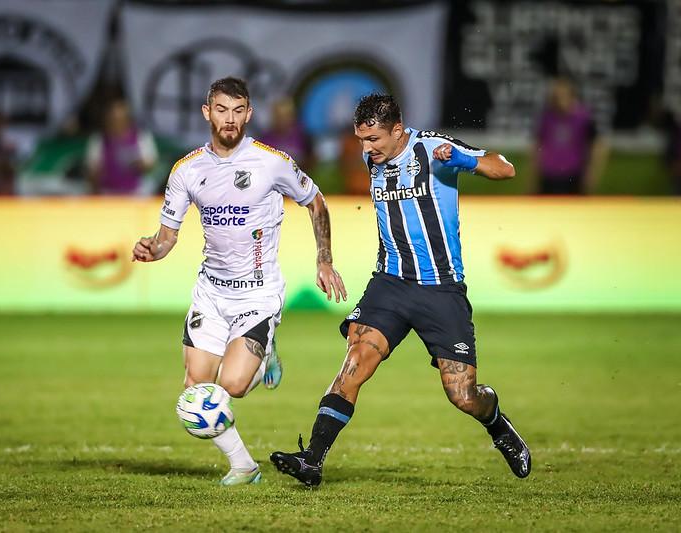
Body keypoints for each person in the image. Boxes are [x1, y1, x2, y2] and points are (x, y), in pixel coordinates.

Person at [270, 93, 530, 487]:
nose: (366, 149)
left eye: (373, 139)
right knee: (355, 362)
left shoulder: (432, 149)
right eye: (361, 140)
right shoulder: (372, 159)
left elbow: (505, 168)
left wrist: (462, 160)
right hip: (390, 283)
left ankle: (496, 423)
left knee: (462, 394)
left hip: (441, 289)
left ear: (397, 130)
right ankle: (312, 460)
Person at [131, 77, 347, 486]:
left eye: (237, 110)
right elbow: (168, 236)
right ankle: (244, 466)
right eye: (221, 110)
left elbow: (315, 200)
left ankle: (264, 351)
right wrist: (152, 249)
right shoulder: (187, 170)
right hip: (211, 292)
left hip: (258, 294)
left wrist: (324, 260)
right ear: (206, 113)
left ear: (248, 113)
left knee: (233, 386)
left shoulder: (271, 162)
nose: (229, 119)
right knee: (194, 391)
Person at [531, 78, 608, 195]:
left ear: (572, 97)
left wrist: (592, 171)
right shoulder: (547, 116)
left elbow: (599, 145)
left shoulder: (583, 117)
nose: (559, 100)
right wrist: (533, 174)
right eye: (556, 97)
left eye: (563, 96)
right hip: (549, 175)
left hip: (573, 175)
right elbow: (537, 146)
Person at [86, 100, 159, 195]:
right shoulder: (98, 140)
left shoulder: (141, 137)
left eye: (120, 120)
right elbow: (91, 172)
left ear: (128, 120)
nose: (117, 124)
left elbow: (151, 164)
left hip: (135, 193)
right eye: (113, 120)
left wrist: (138, 164)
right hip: (107, 195)